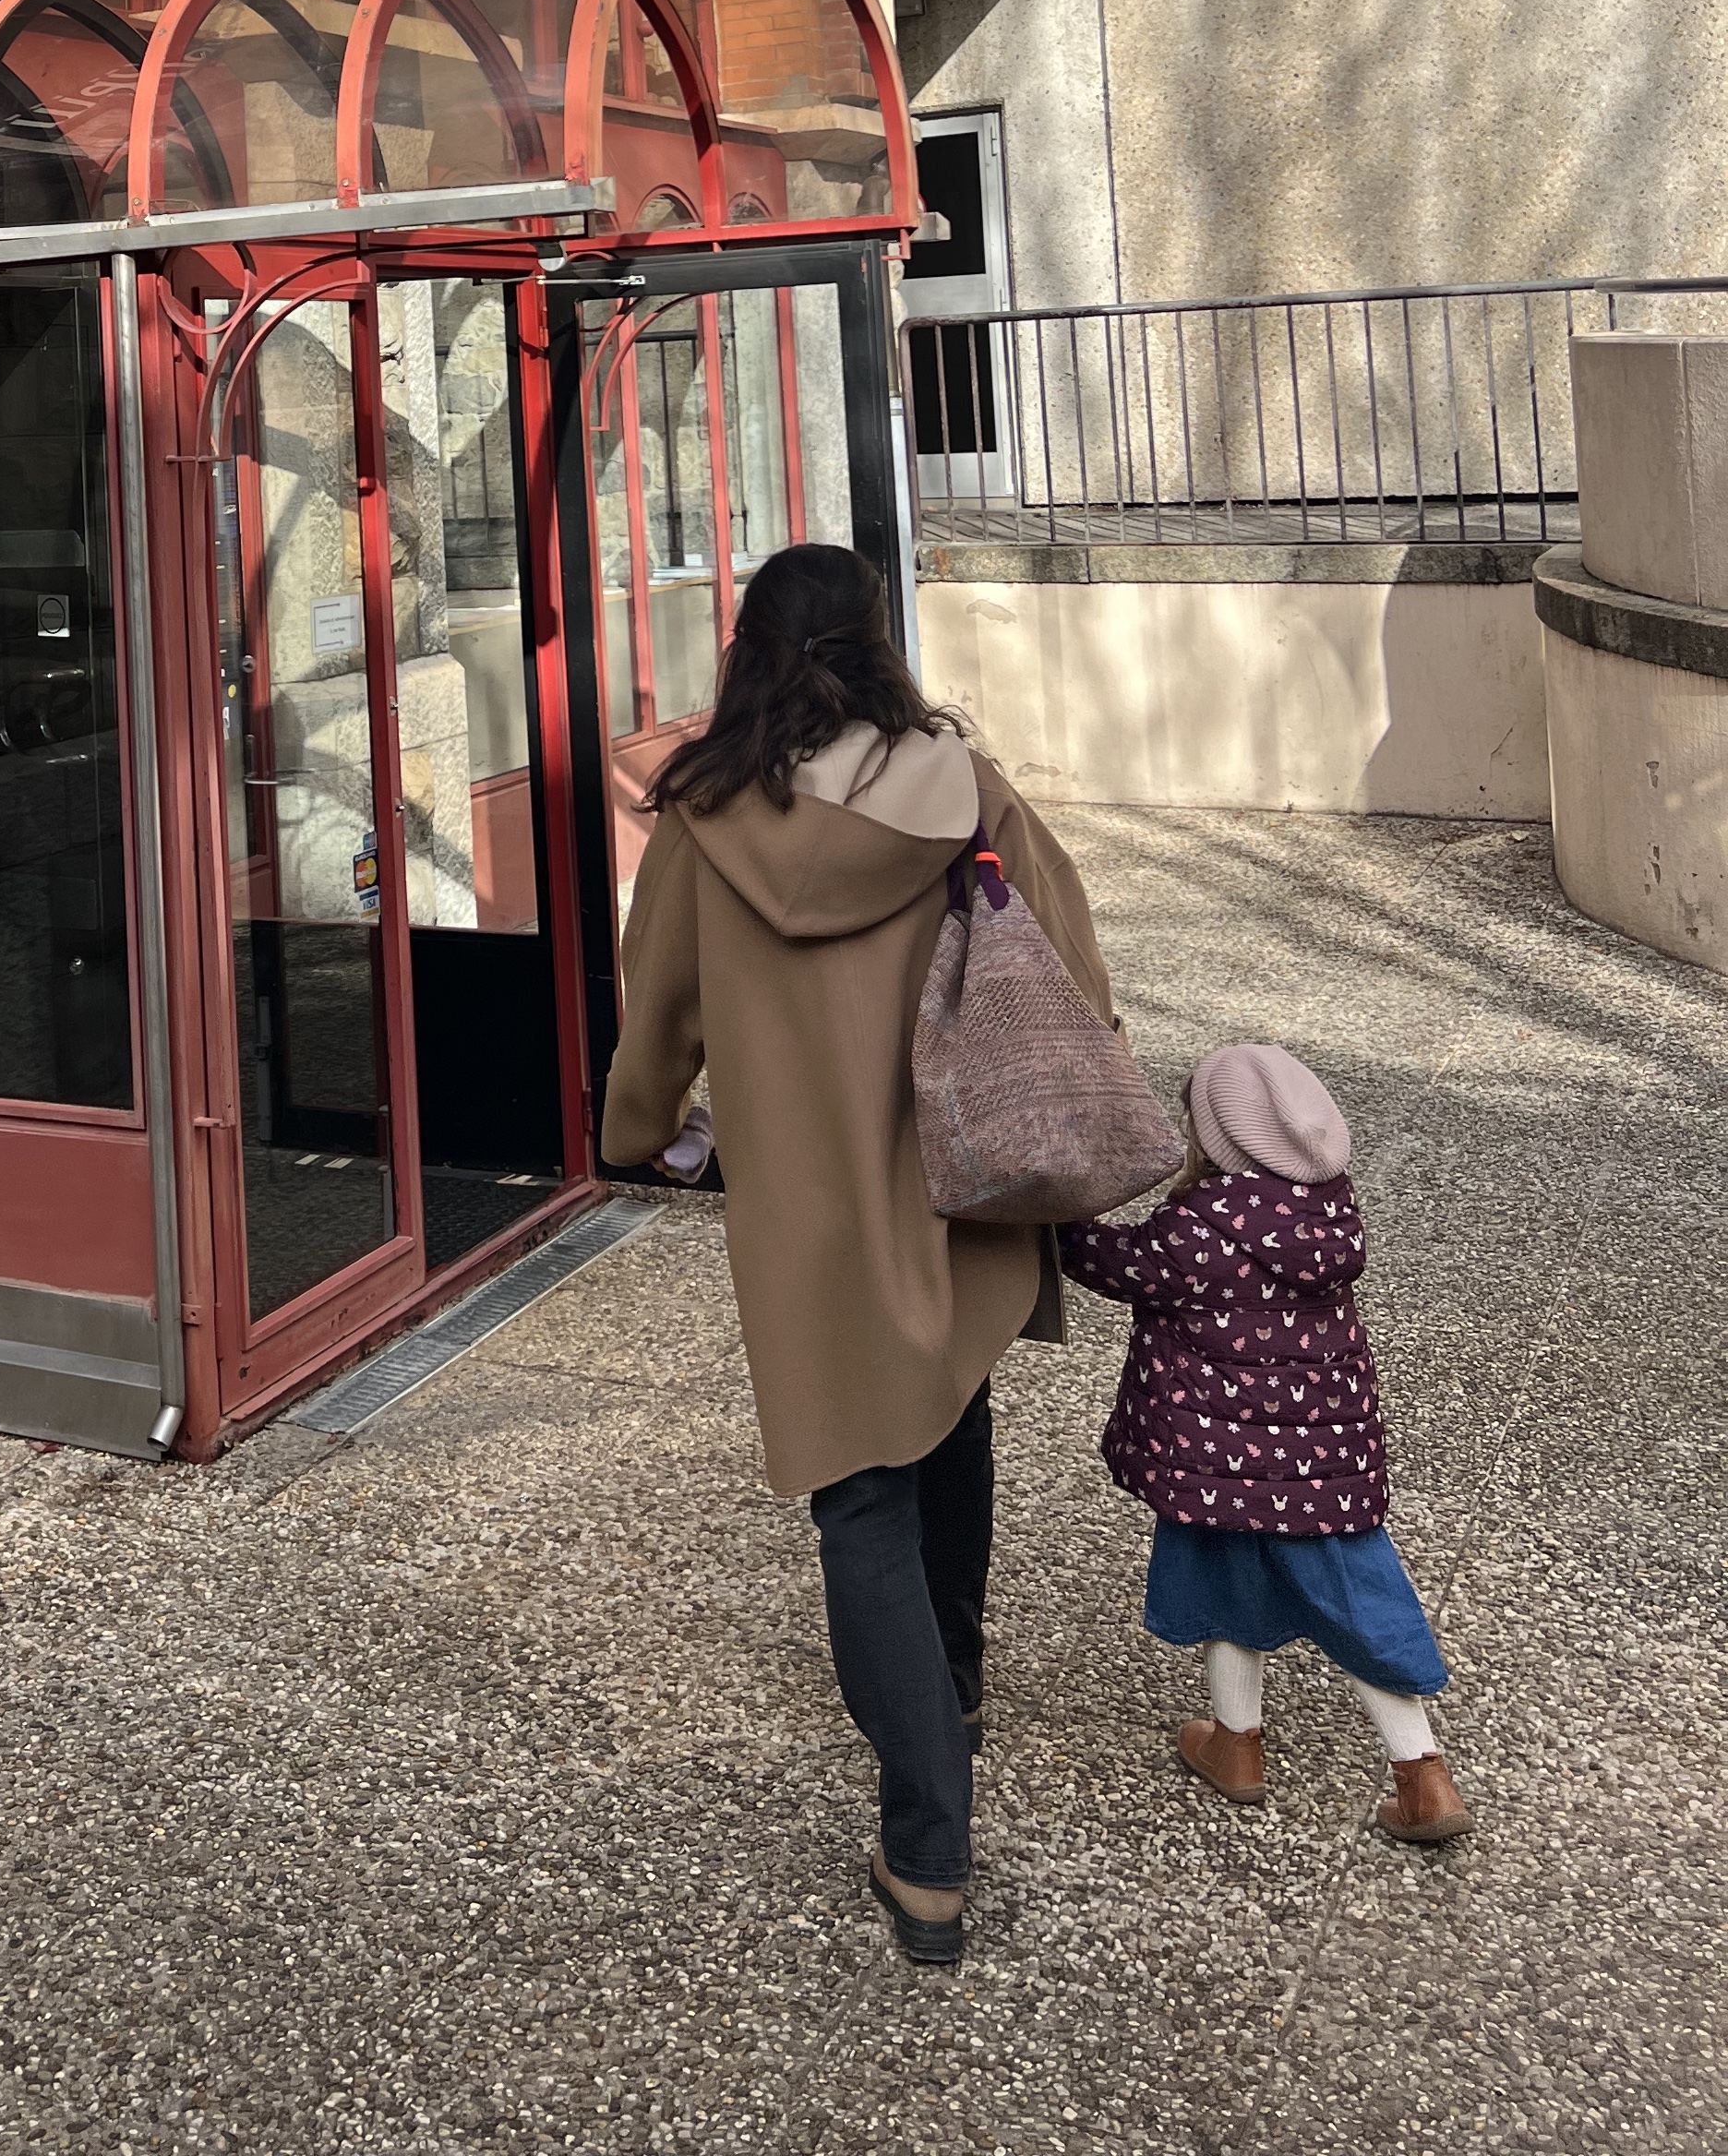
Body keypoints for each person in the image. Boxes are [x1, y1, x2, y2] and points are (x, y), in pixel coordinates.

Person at [598, 541, 1115, 1971]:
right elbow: (1075, 973)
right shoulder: (967, 788)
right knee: (952, 1411)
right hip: (961, 1183)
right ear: (880, 643)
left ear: (749, 651)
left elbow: (656, 1017)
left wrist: (645, 1131)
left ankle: (929, 1850)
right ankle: (953, 1681)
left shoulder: (704, 819)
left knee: (861, 1493)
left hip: (812, 1211)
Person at [1057, 1042, 1469, 1846]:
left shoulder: (1200, 1225)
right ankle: (1418, 1774)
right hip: (1321, 1468)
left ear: (1215, 1137)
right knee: (1360, 1603)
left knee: (1224, 1582)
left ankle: (1243, 1746)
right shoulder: (1328, 1213)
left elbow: (1119, 1265)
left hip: (1217, 1462)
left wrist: (1056, 1218)